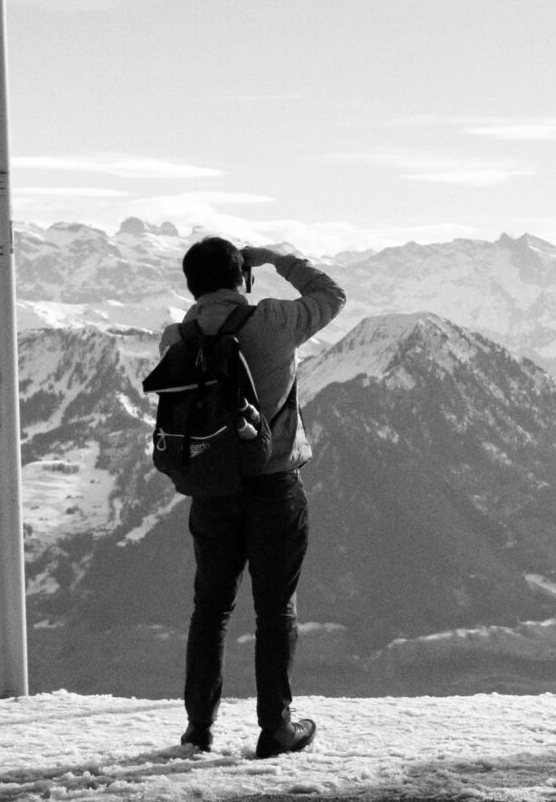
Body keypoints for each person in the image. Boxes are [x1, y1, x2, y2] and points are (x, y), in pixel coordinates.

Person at [164, 236, 346, 758]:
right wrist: (274, 259)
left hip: (212, 491)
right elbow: (331, 294)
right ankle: (276, 728)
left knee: (211, 608)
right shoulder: (272, 322)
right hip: (273, 486)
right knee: (275, 609)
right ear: (243, 277)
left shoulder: (176, 338)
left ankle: (198, 729)